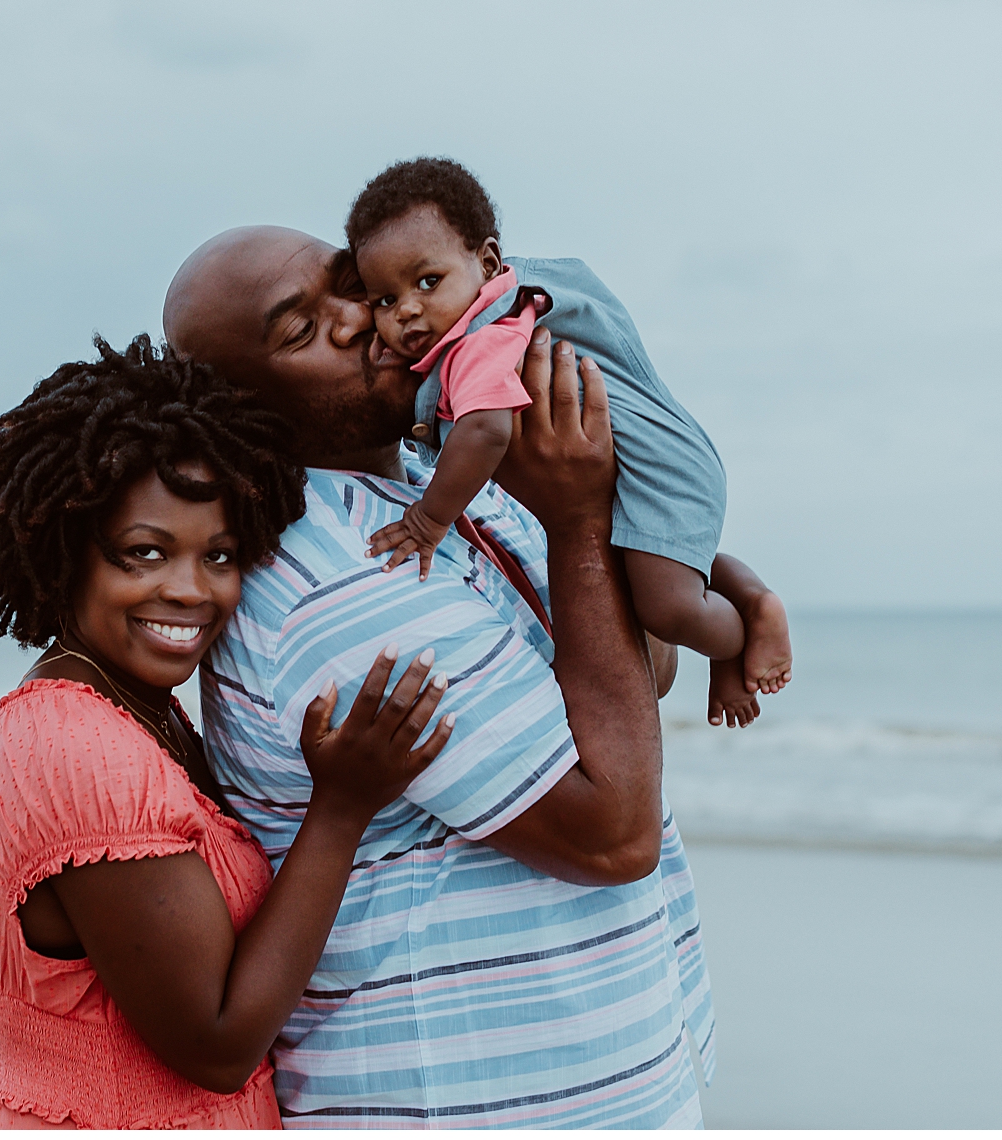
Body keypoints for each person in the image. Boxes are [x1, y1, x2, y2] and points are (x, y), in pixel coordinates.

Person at [164, 227, 718, 1127]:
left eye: (349, 285)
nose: (360, 321)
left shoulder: (444, 480)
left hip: (595, 1078)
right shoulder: (335, 573)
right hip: (471, 1101)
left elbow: (639, 674)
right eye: (300, 331)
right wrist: (579, 520)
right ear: (243, 411)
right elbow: (612, 835)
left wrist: (580, 509)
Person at [0, 335, 459, 1129]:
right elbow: (218, 1044)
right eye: (144, 553)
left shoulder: (135, 709)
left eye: (220, 555)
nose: (190, 591)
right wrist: (341, 808)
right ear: (64, 555)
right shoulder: (77, 750)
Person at [349, 157, 791, 728]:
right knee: (653, 572)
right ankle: (735, 603)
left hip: (660, 469)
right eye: (384, 301)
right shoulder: (501, 305)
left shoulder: (484, 338)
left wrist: (427, 521)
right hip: (663, 454)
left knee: (666, 606)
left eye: (428, 282)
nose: (408, 308)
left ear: (486, 262)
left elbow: (486, 428)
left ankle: (744, 624)